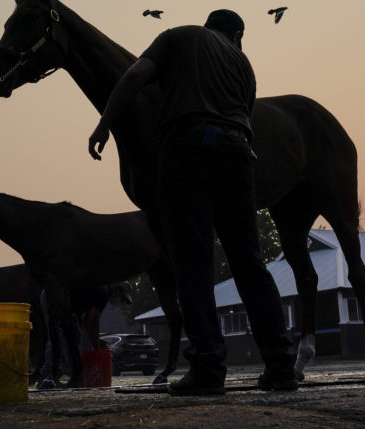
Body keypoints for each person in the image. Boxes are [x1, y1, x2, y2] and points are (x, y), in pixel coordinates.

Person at [88, 10, 297, 395]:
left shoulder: (179, 36)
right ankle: (282, 366)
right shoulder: (243, 64)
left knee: (192, 261)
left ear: (209, 27)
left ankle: (207, 369)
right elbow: (246, 118)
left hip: (187, 151)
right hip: (238, 157)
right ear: (237, 35)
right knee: (249, 263)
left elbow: (135, 75)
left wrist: (105, 122)